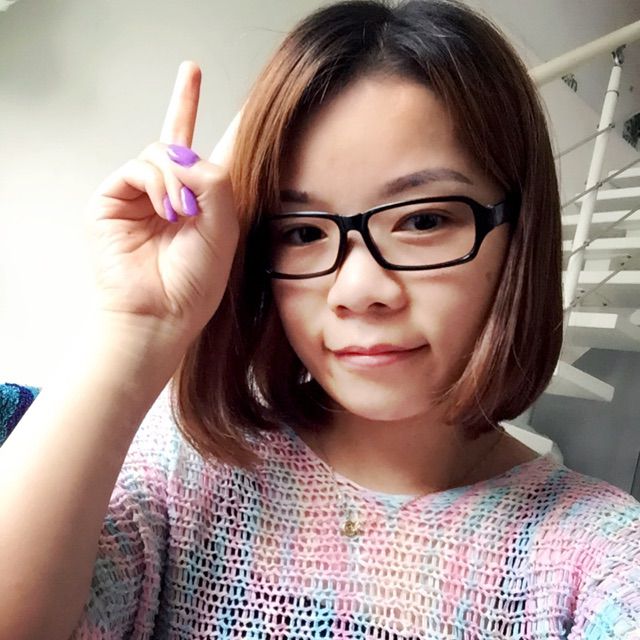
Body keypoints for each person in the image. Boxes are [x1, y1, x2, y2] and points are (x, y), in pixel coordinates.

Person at [1, 0, 639, 638]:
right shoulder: (186, 468)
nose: (358, 291)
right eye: (302, 231)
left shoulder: (593, 558)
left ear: (519, 235)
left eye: (422, 220)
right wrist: (138, 323)